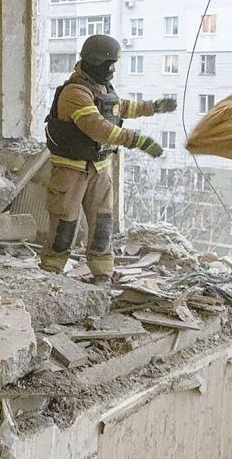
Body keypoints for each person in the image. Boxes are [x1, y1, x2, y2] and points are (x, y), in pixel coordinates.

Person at [40, 34, 176, 285]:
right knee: (64, 224)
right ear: (95, 62)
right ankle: (51, 271)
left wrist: (153, 107)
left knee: (103, 224)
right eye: (110, 63)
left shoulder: (101, 87)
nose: (113, 69)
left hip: (100, 169)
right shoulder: (74, 92)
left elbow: (120, 107)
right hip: (71, 170)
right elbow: (97, 127)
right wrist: (136, 141)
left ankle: (102, 272)